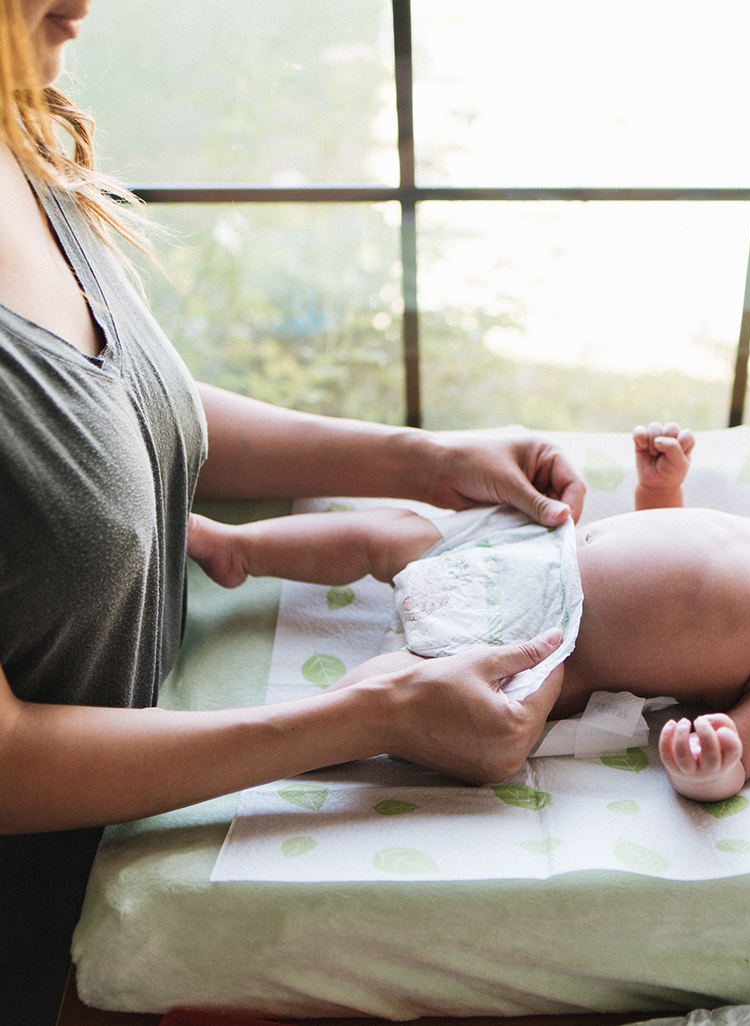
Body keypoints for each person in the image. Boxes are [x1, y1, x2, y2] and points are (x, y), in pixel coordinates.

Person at [0, 2, 584, 1021]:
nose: (83, 5)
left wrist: (424, 460)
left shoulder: (20, 131)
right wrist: (371, 713)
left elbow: (110, 421)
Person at [190, 422, 750, 806]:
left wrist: (715, 765)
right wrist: (662, 487)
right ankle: (241, 546)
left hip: (543, 649)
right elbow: (669, 552)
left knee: (453, 715)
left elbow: (746, 749)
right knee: (400, 534)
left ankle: (312, 726)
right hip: (527, 556)